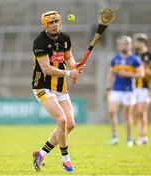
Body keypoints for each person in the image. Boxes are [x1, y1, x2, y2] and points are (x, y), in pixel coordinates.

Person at [32, 11, 84, 172]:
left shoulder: (65, 38)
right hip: (43, 86)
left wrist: (74, 67)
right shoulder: (40, 42)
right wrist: (70, 73)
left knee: (70, 124)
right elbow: (47, 69)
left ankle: (40, 154)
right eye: (51, 22)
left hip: (61, 87)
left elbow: (68, 58)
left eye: (57, 21)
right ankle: (66, 160)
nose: (55, 24)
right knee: (61, 120)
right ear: (44, 25)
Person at [105, 36, 144, 147]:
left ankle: (129, 138)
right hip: (116, 89)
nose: (123, 46)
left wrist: (128, 74)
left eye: (126, 44)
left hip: (129, 90)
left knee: (127, 116)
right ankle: (114, 137)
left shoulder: (134, 59)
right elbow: (111, 73)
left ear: (130, 45)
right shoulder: (115, 58)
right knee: (111, 111)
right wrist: (108, 88)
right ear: (118, 46)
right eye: (121, 44)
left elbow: (141, 74)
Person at [133, 33, 151, 145]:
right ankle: (143, 136)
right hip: (134, 87)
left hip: (145, 88)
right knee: (138, 113)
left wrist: (146, 72)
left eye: (137, 41)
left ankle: (141, 136)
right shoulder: (133, 55)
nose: (135, 44)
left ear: (143, 42)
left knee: (141, 112)